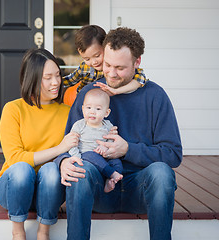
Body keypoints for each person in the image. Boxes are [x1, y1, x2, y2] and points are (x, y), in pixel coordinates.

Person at [55, 27, 182, 240]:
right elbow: (69, 142)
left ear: (137, 62)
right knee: (80, 169)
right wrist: (63, 161)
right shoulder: (89, 93)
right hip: (97, 187)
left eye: (120, 68)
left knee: (162, 173)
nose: (111, 73)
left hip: (140, 189)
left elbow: (173, 154)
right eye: (107, 65)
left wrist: (128, 150)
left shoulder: (155, 96)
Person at [0, 48, 79, 240]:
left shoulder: (68, 113)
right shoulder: (13, 109)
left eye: (57, 75)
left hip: (49, 191)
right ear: (31, 79)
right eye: (47, 77)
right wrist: (59, 149)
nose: (56, 82)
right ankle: (18, 232)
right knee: (22, 169)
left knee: (50, 170)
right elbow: (15, 158)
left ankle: (43, 232)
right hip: (14, 188)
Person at [62, 25, 148, 95]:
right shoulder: (84, 67)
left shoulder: (115, 67)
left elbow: (140, 79)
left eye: (97, 55)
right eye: (87, 59)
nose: (94, 62)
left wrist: (118, 91)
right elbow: (70, 80)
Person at [68, 88, 122, 193]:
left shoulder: (108, 126)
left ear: (106, 112)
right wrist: (76, 157)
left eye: (98, 109)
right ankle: (112, 174)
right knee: (91, 155)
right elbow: (72, 143)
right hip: (87, 156)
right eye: (88, 108)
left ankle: (109, 181)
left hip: (105, 156)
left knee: (117, 163)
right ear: (83, 109)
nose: (92, 112)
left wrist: (105, 147)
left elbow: (112, 141)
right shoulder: (79, 125)